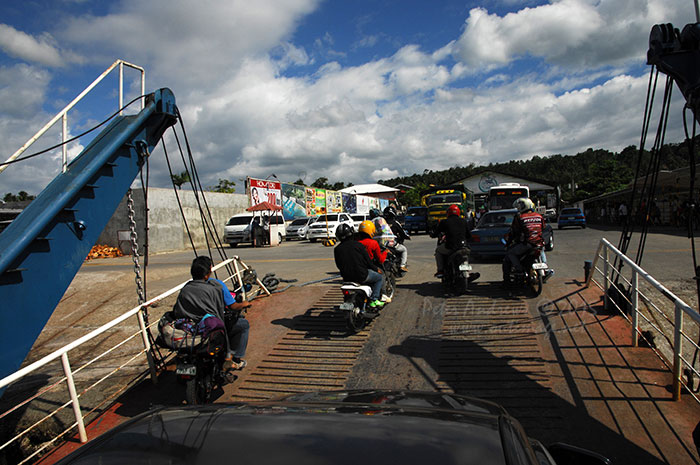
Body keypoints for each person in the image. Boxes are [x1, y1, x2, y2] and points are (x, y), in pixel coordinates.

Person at [173, 256, 250, 370]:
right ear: (206, 274)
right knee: (243, 325)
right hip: (211, 328)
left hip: (189, 326)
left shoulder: (186, 288)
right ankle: (234, 359)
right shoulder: (217, 286)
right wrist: (244, 304)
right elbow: (233, 306)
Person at [333, 223, 385, 309]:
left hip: (346, 278)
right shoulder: (358, 245)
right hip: (362, 275)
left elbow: (338, 265)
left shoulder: (337, 249)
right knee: (379, 278)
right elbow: (368, 262)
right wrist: (376, 269)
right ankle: (374, 299)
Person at [502, 198, 545, 287]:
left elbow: (514, 232)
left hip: (527, 244)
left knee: (510, 253)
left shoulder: (520, 217)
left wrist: (509, 243)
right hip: (539, 243)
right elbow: (543, 228)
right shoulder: (539, 216)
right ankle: (545, 266)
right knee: (542, 249)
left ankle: (519, 270)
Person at [433, 204, 479, 283]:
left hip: (451, 247)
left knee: (438, 251)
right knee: (465, 257)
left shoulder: (444, 222)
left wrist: (433, 234)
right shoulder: (463, 221)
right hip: (463, 247)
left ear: (448, 213)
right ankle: (467, 272)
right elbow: (468, 235)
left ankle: (440, 270)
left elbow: (436, 232)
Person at [383, 206, 409, 272]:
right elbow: (402, 233)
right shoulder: (395, 223)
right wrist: (407, 236)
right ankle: (402, 266)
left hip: (381, 244)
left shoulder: (381, 223)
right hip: (391, 244)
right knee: (404, 250)